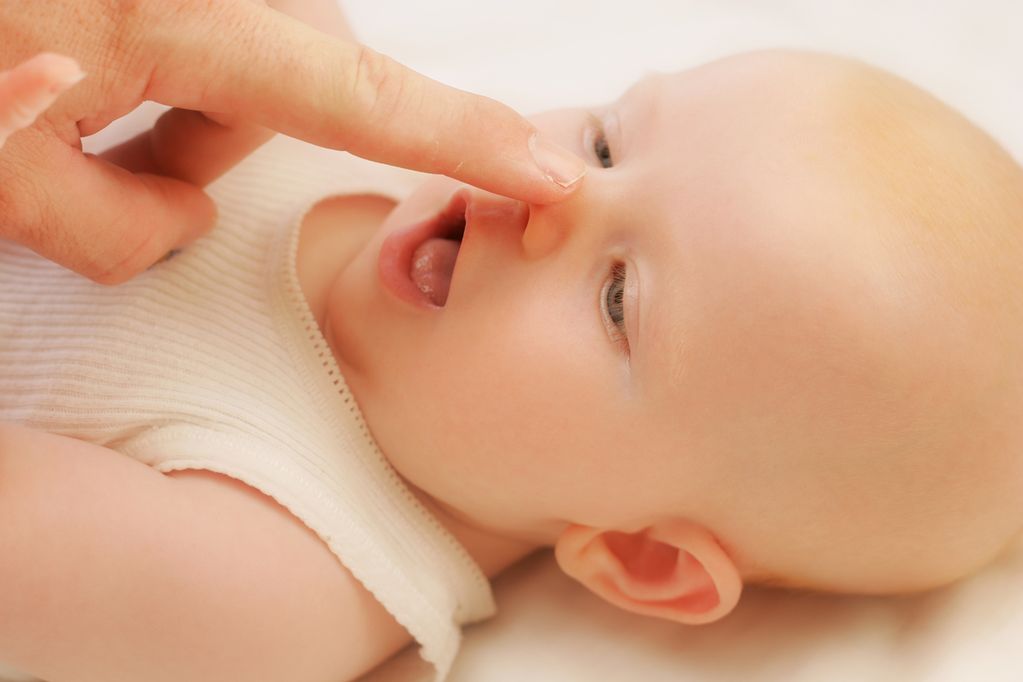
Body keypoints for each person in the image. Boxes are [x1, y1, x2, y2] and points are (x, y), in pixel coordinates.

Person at [2, 47, 1023, 682]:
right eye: (610, 141)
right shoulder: (339, 108)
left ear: (642, 557)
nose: (558, 196)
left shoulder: (277, 572)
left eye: (621, 298)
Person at [0, 0, 587, 285]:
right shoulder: (348, 94)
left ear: (633, 534)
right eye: (604, 146)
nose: (545, 206)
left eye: (617, 299)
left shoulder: (277, 509)